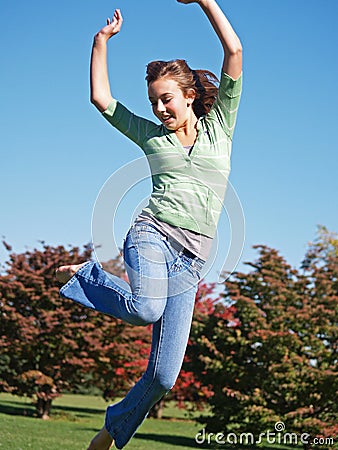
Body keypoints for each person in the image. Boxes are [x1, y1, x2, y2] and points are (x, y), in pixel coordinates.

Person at [56, 0, 242, 448]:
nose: (159, 108)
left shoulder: (221, 127)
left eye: (167, 98)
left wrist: (204, 1)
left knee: (163, 376)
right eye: (154, 101)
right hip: (152, 235)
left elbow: (233, 51)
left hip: (193, 261)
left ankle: (111, 431)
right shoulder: (150, 135)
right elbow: (102, 99)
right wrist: (100, 43)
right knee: (145, 308)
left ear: (190, 95)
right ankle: (90, 275)